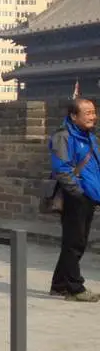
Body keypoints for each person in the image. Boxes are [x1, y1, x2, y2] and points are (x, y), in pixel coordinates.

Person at [49, 97, 100, 301]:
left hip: (89, 196)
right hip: (75, 197)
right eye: (87, 113)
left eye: (93, 112)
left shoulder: (89, 137)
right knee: (74, 243)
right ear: (73, 115)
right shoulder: (64, 137)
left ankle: (59, 284)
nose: (92, 116)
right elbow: (61, 169)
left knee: (76, 241)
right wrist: (78, 193)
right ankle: (75, 288)